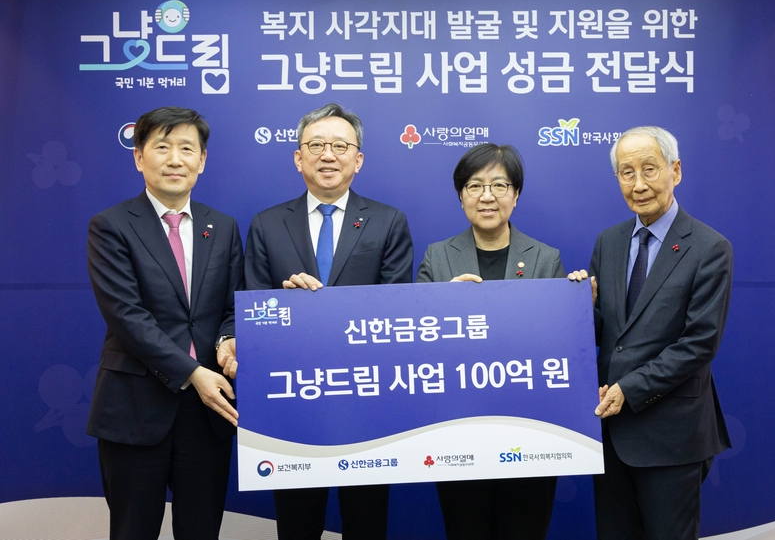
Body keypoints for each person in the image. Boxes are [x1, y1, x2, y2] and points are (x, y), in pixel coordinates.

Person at [245, 102, 414, 540]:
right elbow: (254, 313)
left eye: (340, 146)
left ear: (358, 160)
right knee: (297, 526)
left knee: (366, 523)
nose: (328, 155)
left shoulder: (387, 222)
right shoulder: (266, 225)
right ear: (298, 157)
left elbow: (395, 311)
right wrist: (285, 306)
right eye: (316, 145)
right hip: (292, 402)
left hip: (366, 401)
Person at [86, 107, 244, 540]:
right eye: (162, 147)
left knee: (201, 531)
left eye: (187, 149)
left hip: (207, 412)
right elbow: (126, 315)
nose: (175, 159)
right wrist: (193, 372)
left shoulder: (223, 227)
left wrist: (228, 338)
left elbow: (233, 305)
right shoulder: (111, 226)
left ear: (202, 161)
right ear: (139, 157)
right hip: (135, 408)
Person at [568, 126, 733, 539]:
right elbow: (607, 334)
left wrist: (630, 388)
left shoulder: (709, 248)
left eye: (649, 169)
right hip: (610, 434)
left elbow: (699, 343)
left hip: (671, 435)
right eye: (627, 173)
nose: (638, 184)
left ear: (675, 170)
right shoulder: (608, 242)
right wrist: (581, 308)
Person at [416, 143, 562, 540]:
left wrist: (581, 301)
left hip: (529, 431)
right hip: (459, 431)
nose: (487, 196)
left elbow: (560, 344)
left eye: (499, 185)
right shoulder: (437, 257)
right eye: (475, 185)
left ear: (516, 195)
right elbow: (416, 343)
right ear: (461, 195)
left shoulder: (545, 259)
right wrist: (442, 306)